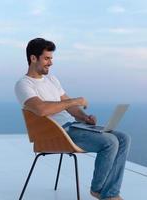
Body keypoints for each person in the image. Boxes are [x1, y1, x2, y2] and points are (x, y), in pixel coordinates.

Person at [15, 38, 131, 200]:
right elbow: (41, 109)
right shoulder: (24, 84)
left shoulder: (52, 80)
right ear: (33, 58)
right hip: (56, 133)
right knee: (110, 142)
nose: (51, 63)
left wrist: (84, 117)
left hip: (74, 126)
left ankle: (110, 192)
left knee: (123, 138)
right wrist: (75, 101)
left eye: (51, 58)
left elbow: (68, 106)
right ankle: (99, 190)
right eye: (47, 58)